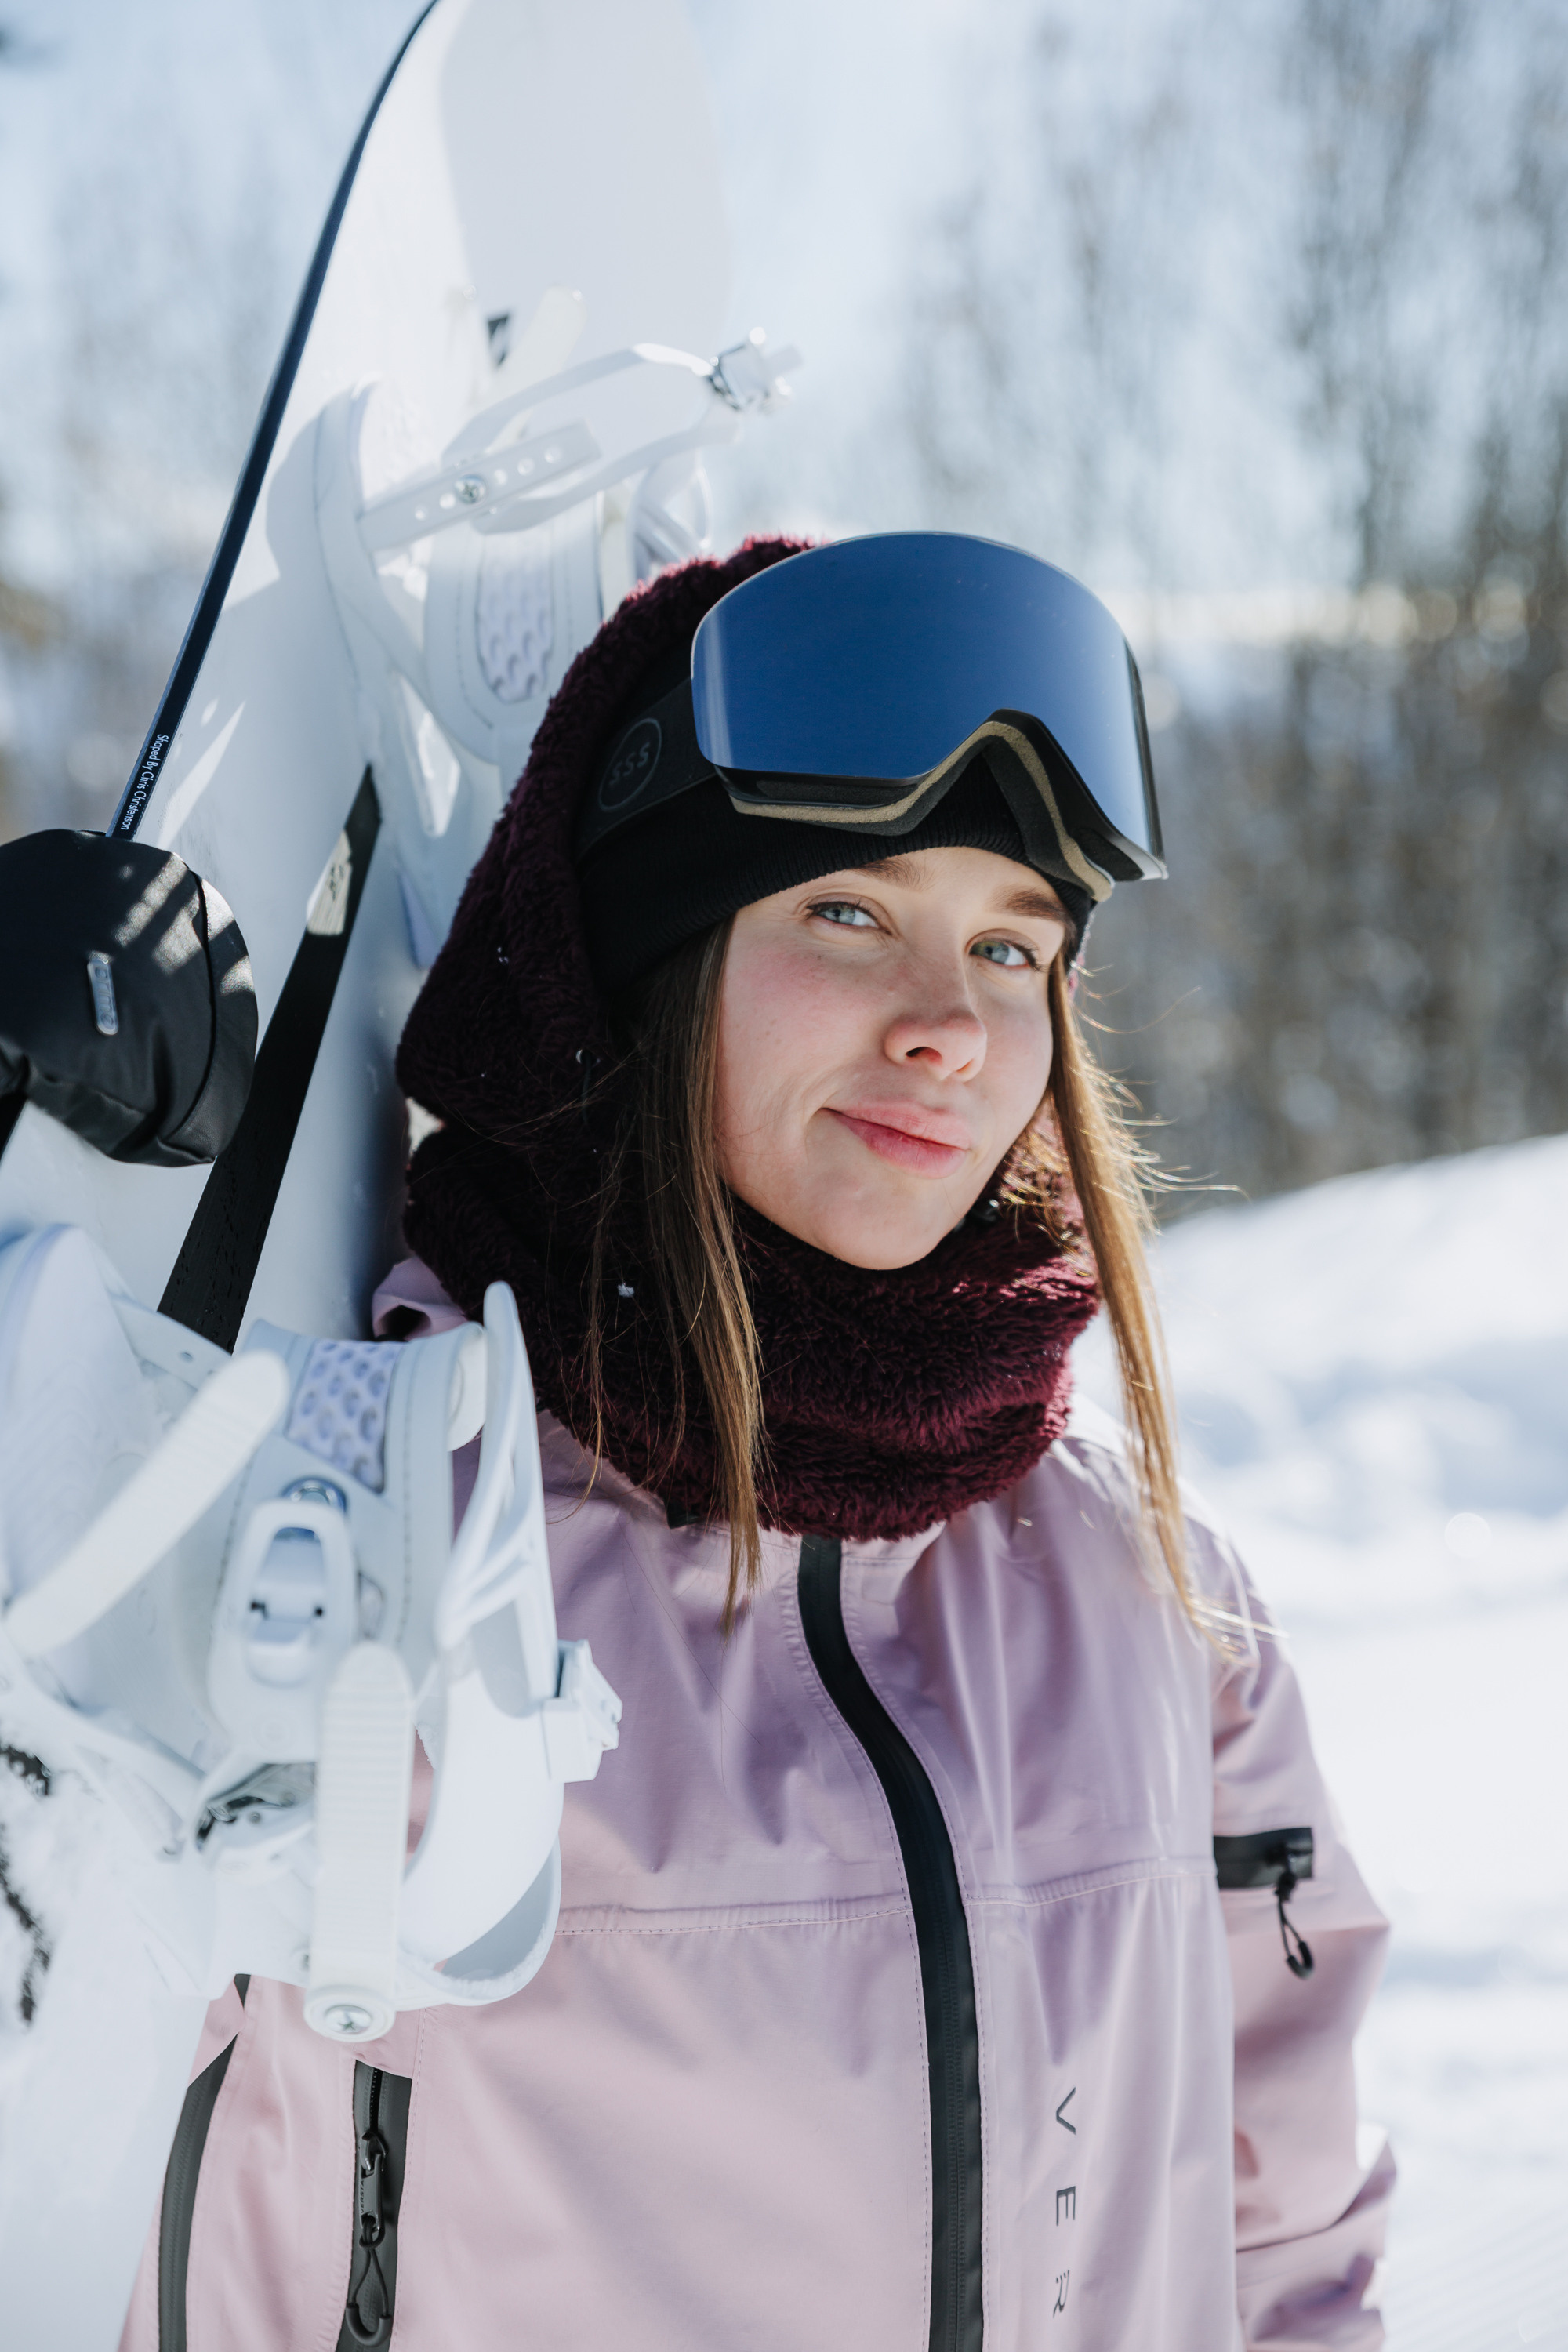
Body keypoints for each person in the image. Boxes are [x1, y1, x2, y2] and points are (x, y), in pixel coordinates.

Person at [121, 534, 1392, 2351]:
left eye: (1013, 944)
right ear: (626, 982)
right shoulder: (361, 1559)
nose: (951, 1027)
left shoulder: (1155, 1601)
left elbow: (1285, 2238)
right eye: (846, 913)